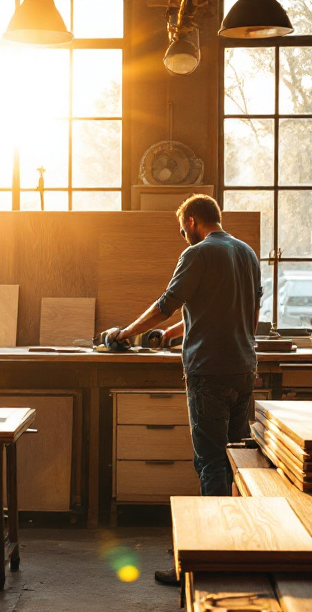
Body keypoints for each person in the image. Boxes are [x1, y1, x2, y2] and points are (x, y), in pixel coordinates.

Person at [112, 195, 261, 585]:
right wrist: (173, 334)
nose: (184, 238)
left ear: (192, 221)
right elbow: (235, 312)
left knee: (211, 463)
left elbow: (167, 304)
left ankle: (211, 559)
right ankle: (235, 548)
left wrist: (127, 332)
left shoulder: (197, 255)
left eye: (183, 231)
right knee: (236, 464)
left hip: (209, 373)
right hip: (243, 371)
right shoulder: (246, 253)